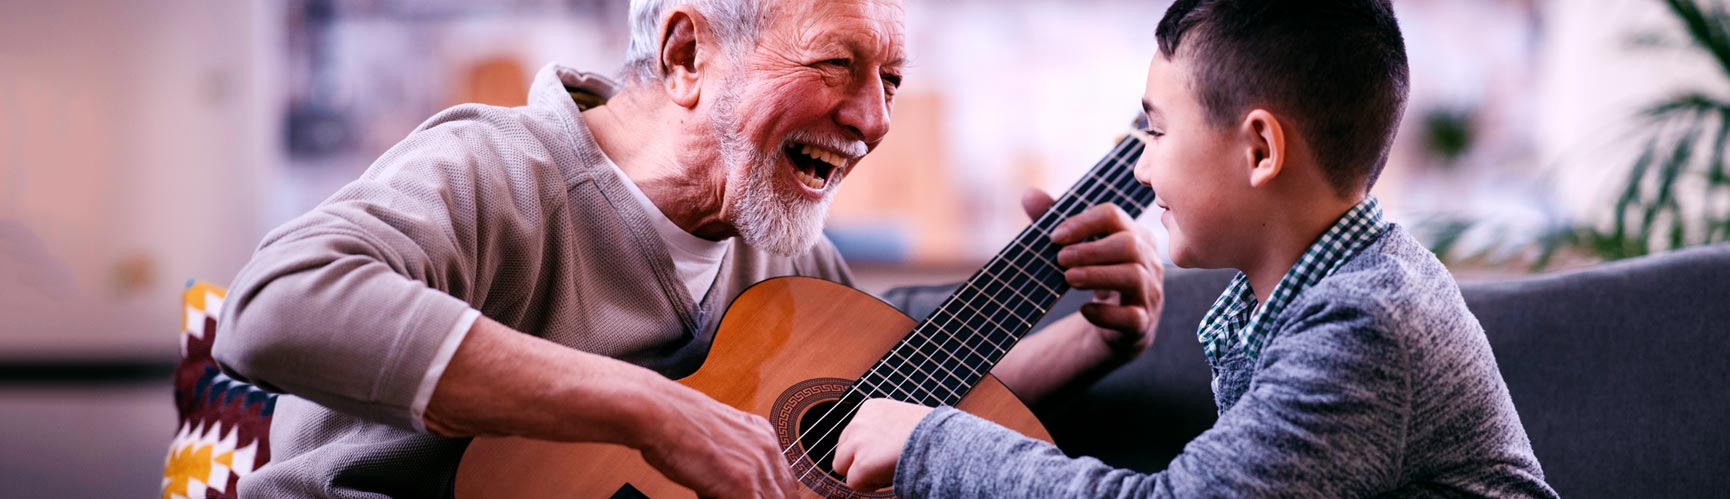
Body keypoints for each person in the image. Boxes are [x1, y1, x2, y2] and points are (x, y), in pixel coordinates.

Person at [214, 0, 1164, 497]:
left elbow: (864, 430)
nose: (874, 120)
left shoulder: (781, 244)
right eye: (838, 63)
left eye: (893, 79)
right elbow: (274, 306)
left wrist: (1093, 341)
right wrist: (655, 411)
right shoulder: (492, 167)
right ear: (685, 56)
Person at [831, 0, 1558, 496]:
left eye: (1155, 129)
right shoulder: (1307, 292)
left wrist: (931, 441)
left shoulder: (1365, 323)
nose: (1140, 168)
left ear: (1261, 148)